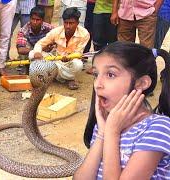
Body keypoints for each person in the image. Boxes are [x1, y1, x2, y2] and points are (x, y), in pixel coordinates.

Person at [74, 41, 170, 179]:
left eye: (110, 75)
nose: (97, 84)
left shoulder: (157, 128)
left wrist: (112, 132)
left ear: (141, 83)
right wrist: (102, 133)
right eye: (96, 75)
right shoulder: (105, 122)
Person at [32, 7, 90, 90]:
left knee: (78, 65)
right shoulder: (56, 31)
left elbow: (78, 53)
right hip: (55, 59)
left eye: (71, 23)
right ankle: (66, 78)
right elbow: (40, 43)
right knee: (32, 54)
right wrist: (37, 52)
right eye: (66, 23)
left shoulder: (84, 34)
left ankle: (54, 74)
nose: (68, 26)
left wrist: (70, 57)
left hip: (70, 61)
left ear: (77, 23)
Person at [15, 6, 54, 74]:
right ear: (30, 19)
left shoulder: (49, 28)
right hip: (32, 53)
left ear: (42, 20)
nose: (34, 22)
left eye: (38, 20)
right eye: (33, 19)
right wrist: (36, 51)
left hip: (44, 52)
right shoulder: (23, 30)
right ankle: (27, 67)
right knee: (23, 48)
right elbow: (20, 50)